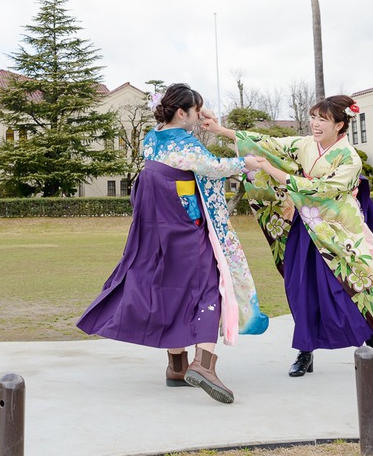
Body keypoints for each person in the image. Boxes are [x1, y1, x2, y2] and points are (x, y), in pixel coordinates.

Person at [201, 94, 373, 379]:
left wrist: (271, 170)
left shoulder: (349, 158)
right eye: (314, 118)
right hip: (306, 227)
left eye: (322, 120)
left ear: (340, 125)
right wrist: (220, 131)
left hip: (339, 234)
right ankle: (305, 351)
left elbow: (320, 190)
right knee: (299, 287)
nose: (315, 124)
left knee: (347, 290)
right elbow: (268, 143)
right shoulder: (306, 144)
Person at [77, 83, 269, 404]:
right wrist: (244, 163)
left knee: (171, 288)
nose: (198, 119)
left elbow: (184, 145)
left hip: (155, 228)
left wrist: (203, 112)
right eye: (195, 113)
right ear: (182, 112)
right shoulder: (185, 144)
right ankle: (204, 364)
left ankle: (176, 366)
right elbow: (212, 167)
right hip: (184, 223)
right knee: (211, 284)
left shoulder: (151, 139)